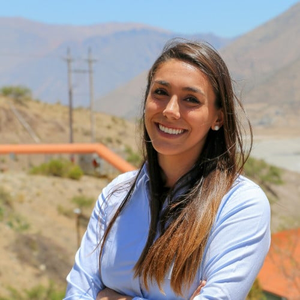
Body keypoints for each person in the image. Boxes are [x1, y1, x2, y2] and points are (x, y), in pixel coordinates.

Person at [64, 39, 271, 300]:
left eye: (190, 99)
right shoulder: (115, 195)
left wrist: (111, 297)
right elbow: (76, 294)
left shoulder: (240, 205)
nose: (171, 111)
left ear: (218, 117)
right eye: (160, 93)